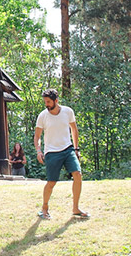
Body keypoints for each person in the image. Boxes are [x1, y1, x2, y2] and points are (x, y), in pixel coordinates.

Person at [34, 88, 89, 219]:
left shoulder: (68, 112)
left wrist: (76, 149)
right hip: (51, 152)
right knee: (51, 182)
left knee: (77, 174)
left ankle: (75, 208)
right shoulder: (43, 116)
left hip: (68, 149)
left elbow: (74, 130)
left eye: (48, 101)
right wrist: (38, 150)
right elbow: (37, 136)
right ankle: (44, 209)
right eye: (45, 102)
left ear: (56, 101)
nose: (46, 104)